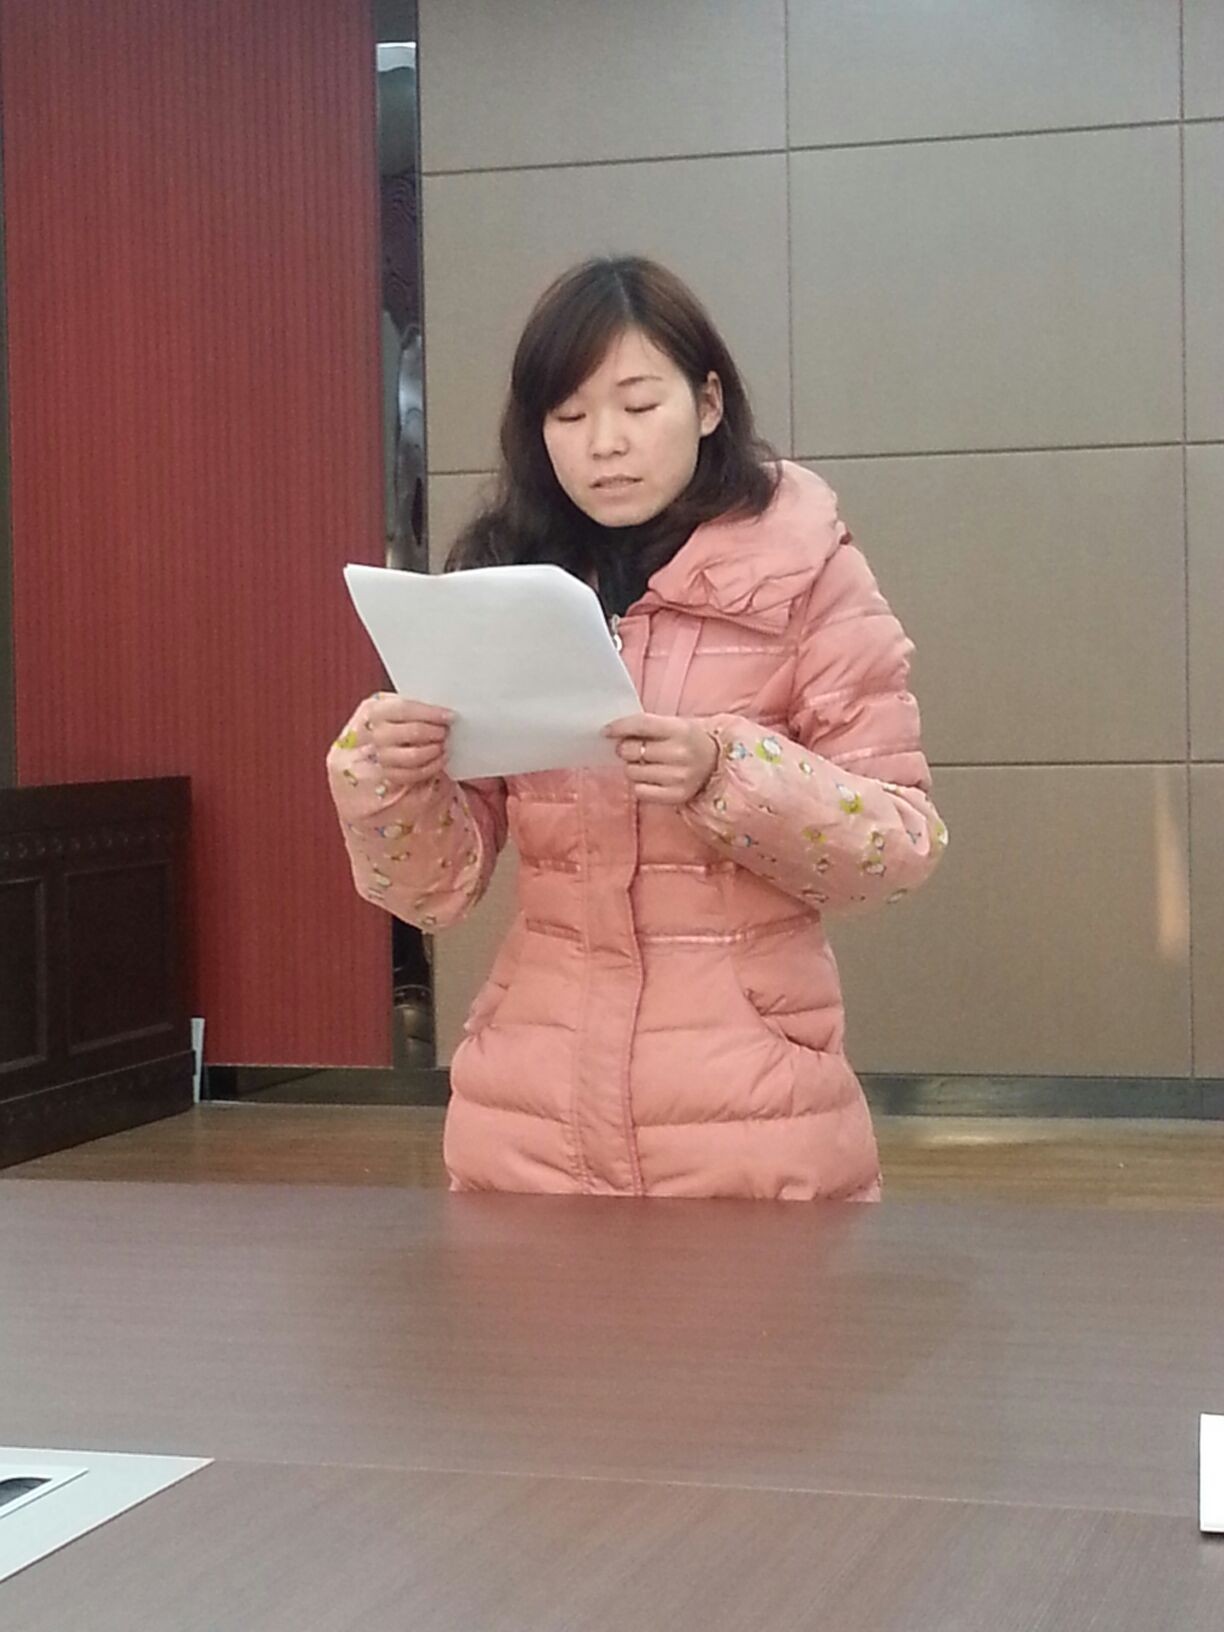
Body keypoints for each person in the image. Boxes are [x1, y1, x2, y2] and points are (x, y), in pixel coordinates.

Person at [327, 256, 947, 1201]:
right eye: (569, 416)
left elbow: (898, 845)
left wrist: (725, 773)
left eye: (638, 405)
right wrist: (390, 779)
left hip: (751, 1129)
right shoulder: (503, 575)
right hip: (528, 1128)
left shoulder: (807, 575)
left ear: (708, 403)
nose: (605, 445)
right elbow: (436, 894)